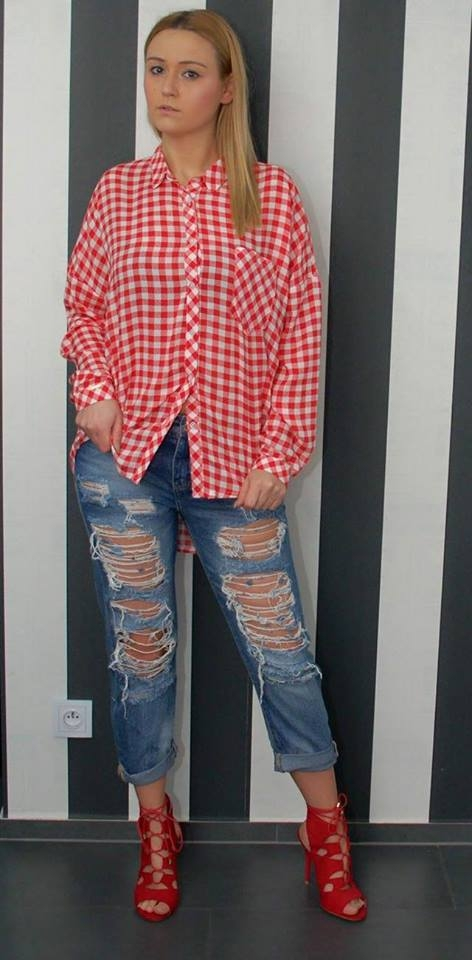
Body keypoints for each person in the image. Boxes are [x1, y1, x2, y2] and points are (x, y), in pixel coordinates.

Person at [61, 8, 367, 925]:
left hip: (237, 467)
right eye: (156, 68)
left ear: (227, 88)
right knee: (141, 651)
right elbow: (83, 306)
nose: (166, 87)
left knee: (282, 654)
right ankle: (155, 829)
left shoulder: (271, 197)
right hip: (125, 461)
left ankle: (326, 830)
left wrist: (281, 452)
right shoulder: (119, 192)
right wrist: (95, 391)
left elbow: (301, 332)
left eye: (190, 72)